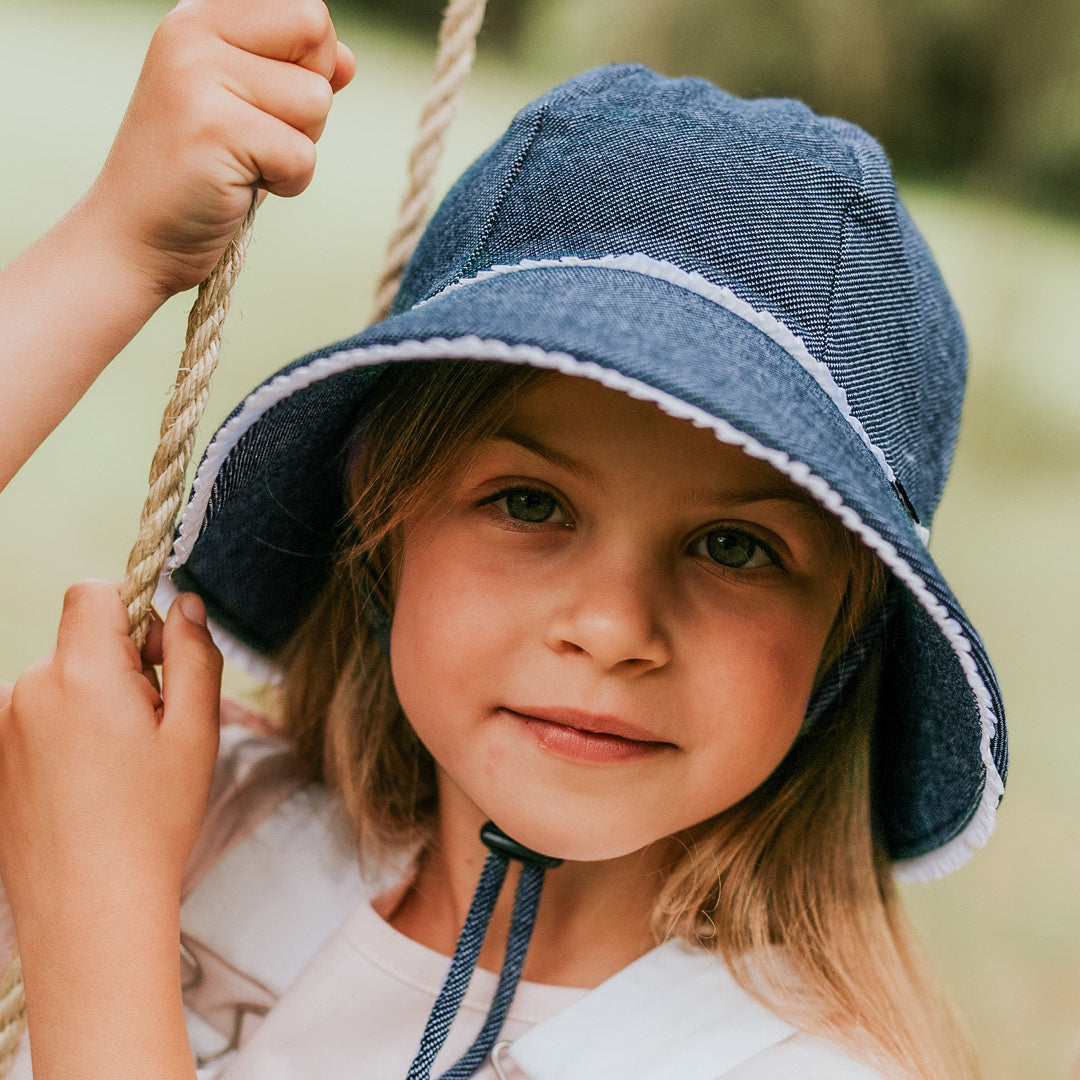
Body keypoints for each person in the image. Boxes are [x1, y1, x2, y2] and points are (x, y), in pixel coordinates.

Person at [0, 1, 1007, 1078]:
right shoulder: (196, 810)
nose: (615, 628)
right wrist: (113, 251)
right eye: (530, 503)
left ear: (850, 634)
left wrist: (101, 917)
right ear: (385, 525)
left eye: (735, 547)